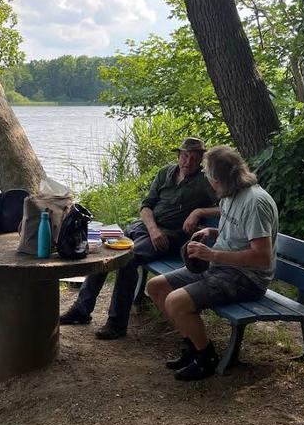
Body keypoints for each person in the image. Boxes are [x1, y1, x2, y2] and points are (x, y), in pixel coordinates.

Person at [59, 137, 219, 339]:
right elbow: (146, 206)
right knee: (103, 251)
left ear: (201, 160)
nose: (188, 162)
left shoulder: (204, 182)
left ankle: (116, 324)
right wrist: (152, 228)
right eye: (185, 156)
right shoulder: (165, 173)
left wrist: (198, 211)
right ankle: (81, 310)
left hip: (170, 237)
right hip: (145, 228)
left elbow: (226, 206)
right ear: (179, 155)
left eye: (195, 158)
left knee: (127, 260)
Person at [146, 145, 279, 381]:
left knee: (176, 301)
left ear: (220, 178)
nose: (207, 180)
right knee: (157, 287)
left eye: (209, 175)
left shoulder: (255, 203)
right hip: (221, 267)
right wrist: (212, 231)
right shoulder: (230, 194)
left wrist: (213, 255)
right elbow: (237, 233)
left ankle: (205, 357)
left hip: (247, 277)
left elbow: (262, 256)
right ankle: (192, 345)